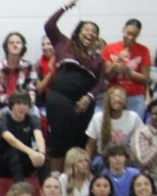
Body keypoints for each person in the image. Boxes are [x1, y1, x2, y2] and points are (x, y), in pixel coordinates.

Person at [43, 4, 105, 171]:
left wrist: (89, 97)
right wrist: (66, 6)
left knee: (78, 141)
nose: (90, 33)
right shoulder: (64, 44)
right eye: (87, 29)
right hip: (59, 99)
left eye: (94, 32)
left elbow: (100, 82)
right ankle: (55, 180)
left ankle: (75, 181)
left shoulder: (97, 59)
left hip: (83, 104)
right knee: (58, 140)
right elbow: (49, 25)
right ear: (78, 31)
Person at [103, 19, 151, 120]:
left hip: (135, 97)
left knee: (135, 129)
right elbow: (107, 76)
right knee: (113, 128)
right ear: (123, 30)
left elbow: (145, 79)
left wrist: (127, 71)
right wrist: (118, 60)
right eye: (128, 33)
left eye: (134, 35)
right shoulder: (109, 48)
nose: (130, 37)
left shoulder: (143, 50)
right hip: (114, 96)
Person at [0, 91, 50, 182]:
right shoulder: (2, 120)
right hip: (5, 161)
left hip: (24, 158)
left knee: (44, 158)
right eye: (18, 103)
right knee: (13, 153)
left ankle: (46, 188)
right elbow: (11, 140)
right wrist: (31, 152)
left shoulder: (33, 119)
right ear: (12, 105)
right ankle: (20, 189)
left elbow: (39, 137)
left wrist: (41, 153)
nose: (22, 107)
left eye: (25, 104)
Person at [86, 86, 142, 162]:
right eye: (115, 97)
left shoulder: (133, 117)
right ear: (108, 100)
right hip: (103, 157)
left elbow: (141, 140)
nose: (118, 99)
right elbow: (90, 146)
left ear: (125, 101)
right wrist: (88, 166)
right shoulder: (98, 118)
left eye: (121, 97)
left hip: (124, 157)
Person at [132, 99, 157, 185]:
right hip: (150, 182)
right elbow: (143, 162)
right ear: (149, 115)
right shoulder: (142, 133)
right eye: (156, 114)